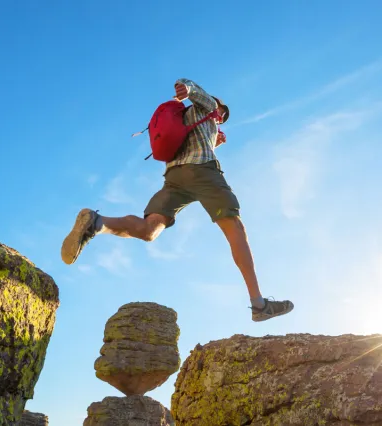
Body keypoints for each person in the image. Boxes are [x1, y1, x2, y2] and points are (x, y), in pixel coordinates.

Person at [61, 78, 294, 322]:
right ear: (220, 109)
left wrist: (215, 144)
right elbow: (199, 95)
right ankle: (259, 304)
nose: (222, 120)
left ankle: (97, 223)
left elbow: (192, 146)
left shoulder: (189, 119)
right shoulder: (209, 107)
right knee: (234, 226)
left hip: (175, 178)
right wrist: (188, 88)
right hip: (203, 172)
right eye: (223, 115)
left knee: (149, 230)